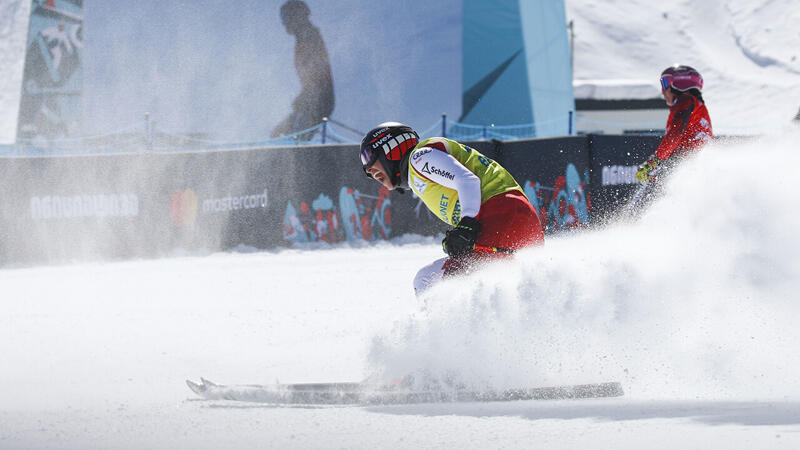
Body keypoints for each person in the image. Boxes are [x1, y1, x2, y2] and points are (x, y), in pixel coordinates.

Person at [359, 122, 544, 295]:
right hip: (515, 217)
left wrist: (467, 225)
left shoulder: (419, 158)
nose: (367, 170)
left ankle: (452, 329)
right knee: (498, 286)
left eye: (368, 156)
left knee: (428, 280)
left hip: (502, 214)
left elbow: (467, 180)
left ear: (391, 149)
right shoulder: (420, 172)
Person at [631, 65, 713, 209]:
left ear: (680, 84)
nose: (663, 91)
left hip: (680, 163)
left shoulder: (686, 100)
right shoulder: (699, 107)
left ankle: (630, 229)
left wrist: (654, 161)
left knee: (645, 204)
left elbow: (675, 134)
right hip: (695, 165)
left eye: (665, 83)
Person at [271, 0, 334, 140]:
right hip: (313, 96)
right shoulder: (302, 39)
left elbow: (319, 72)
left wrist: (308, 95)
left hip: (321, 98)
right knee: (279, 133)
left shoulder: (310, 37)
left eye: (285, 17)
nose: (284, 23)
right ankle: (286, 155)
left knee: (296, 135)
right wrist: (304, 95)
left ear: (297, 17)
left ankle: (300, 156)